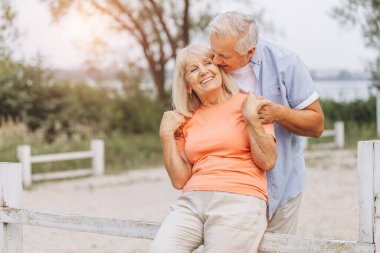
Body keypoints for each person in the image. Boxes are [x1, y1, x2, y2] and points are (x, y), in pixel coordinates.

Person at [150, 44, 277, 253]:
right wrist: (166, 137)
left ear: (219, 69)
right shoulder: (186, 119)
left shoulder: (251, 103)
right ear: (188, 85)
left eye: (207, 63)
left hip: (239, 198)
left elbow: (268, 161)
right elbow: (179, 180)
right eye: (193, 69)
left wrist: (250, 118)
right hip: (192, 201)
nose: (203, 71)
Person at [208, 11, 324, 234]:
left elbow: (317, 124)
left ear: (249, 51)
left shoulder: (286, 62)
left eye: (223, 57)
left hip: (281, 185)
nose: (215, 61)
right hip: (231, 189)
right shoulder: (211, 64)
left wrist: (278, 113)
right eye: (213, 52)